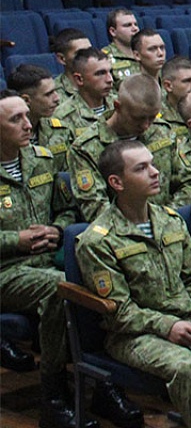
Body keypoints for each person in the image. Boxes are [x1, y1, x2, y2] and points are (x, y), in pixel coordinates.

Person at [76, 141, 191, 428]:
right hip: (134, 335)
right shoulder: (97, 241)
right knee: (186, 369)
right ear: (117, 182)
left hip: (188, 319)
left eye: (153, 164)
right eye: (142, 168)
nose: (155, 172)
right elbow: (119, 312)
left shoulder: (170, 221)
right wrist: (166, 326)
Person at [0, 92, 86, 428]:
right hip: (6, 270)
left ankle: (103, 381)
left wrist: (56, 229)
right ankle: (53, 392)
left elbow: (67, 209)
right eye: (15, 119)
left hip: (45, 259)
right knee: (59, 288)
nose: (27, 124)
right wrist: (15, 240)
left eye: (27, 116)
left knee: (95, 274)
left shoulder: (42, 159)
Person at [68, 75, 177, 221]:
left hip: (169, 226)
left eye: (152, 117)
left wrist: (164, 219)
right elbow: (96, 207)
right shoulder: (86, 148)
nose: (146, 126)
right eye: (138, 118)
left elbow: (188, 183)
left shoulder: (161, 131)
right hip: (120, 235)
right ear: (117, 106)